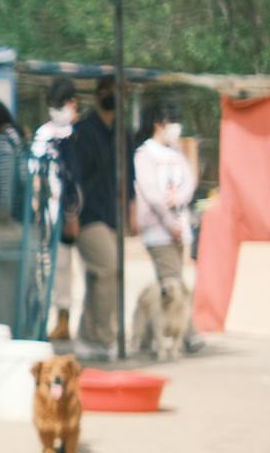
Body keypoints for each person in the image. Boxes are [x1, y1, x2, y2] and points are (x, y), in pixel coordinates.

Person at [62, 74, 126, 360]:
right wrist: (71, 214)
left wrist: (129, 211)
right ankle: (102, 335)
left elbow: (128, 177)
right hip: (88, 214)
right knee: (108, 268)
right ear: (98, 94)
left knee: (98, 275)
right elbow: (72, 176)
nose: (112, 96)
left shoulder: (121, 133)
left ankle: (87, 336)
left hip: (112, 213)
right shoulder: (83, 131)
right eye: (108, 91)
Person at [133, 98, 204, 353]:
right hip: (157, 231)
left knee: (168, 286)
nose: (175, 127)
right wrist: (168, 220)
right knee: (173, 283)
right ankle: (187, 334)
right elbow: (151, 193)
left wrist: (180, 200)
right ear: (159, 123)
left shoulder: (175, 153)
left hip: (178, 229)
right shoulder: (145, 154)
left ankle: (153, 338)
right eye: (171, 122)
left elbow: (189, 181)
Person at [30, 78, 81, 342]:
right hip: (52, 213)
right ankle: (55, 322)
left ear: (73, 103)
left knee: (79, 269)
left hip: (81, 211)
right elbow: (34, 173)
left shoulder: (79, 134)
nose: (58, 110)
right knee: (57, 266)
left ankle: (74, 322)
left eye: (62, 104)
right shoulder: (44, 135)